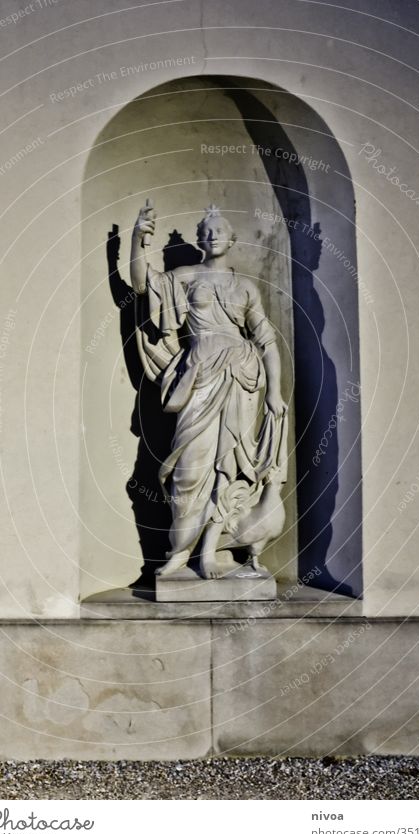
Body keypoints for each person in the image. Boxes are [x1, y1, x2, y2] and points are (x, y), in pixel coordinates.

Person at [130, 202, 288, 579]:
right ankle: (179, 553)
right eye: (207, 230)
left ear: (231, 239)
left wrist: (274, 392)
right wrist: (139, 238)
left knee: (231, 466)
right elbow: (140, 283)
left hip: (242, 376)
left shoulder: (245, 286)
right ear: (200, 238)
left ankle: (211, 552)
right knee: (189, 469)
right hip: (199, 376)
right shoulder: (184, 275)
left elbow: (265, 339)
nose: (213, 235)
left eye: (220, 230)